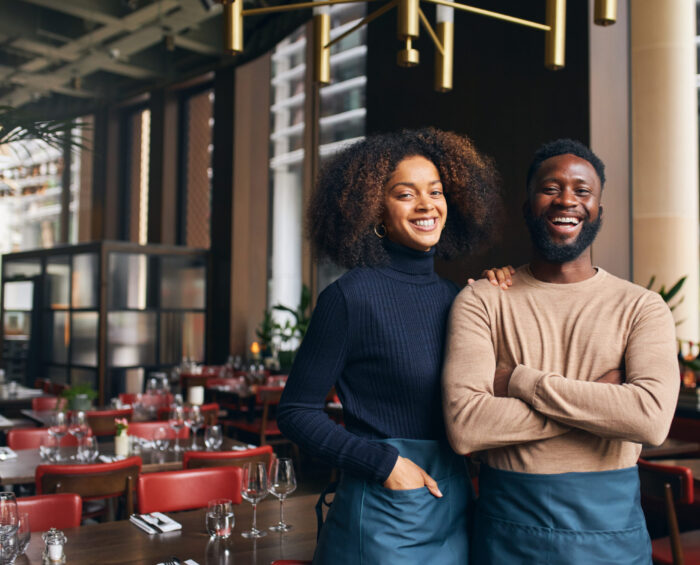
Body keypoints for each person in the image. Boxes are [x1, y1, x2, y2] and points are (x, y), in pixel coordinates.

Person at [442, 138, 680, 564]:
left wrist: (520, 381)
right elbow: (466, 427)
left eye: (582, 190)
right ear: (528, 206)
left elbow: (650, 420)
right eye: (550, 188)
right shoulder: (483, 300)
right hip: (509, 531)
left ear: (598, 211)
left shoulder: (642, 307)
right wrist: (601, 405)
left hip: (611, 535)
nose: (566, 199)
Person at [277, 128, 503, 564]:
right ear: (374, 209)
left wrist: (502, 293)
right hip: (384, 511)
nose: (426, 205)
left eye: (435, 192)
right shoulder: (349, 297)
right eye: (405, 194)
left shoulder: (459, 297)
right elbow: (296, 413)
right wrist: (386, 465)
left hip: (455, 505)